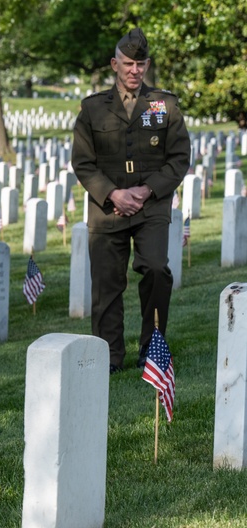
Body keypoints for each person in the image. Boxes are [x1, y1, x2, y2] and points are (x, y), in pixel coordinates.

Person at [72, 27, 190, 374]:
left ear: (147, 64)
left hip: (151, 205)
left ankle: (151, 346)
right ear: (114, 64)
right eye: (127, 63)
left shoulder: (164, 105)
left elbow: (179, 157)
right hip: (107, 208)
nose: (134, 70)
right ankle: (108, 356)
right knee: (107, 283)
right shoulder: (93, 109)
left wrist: (148, 189)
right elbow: (83, 161)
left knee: (155, 268)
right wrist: (112, 193)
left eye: (140, 64)